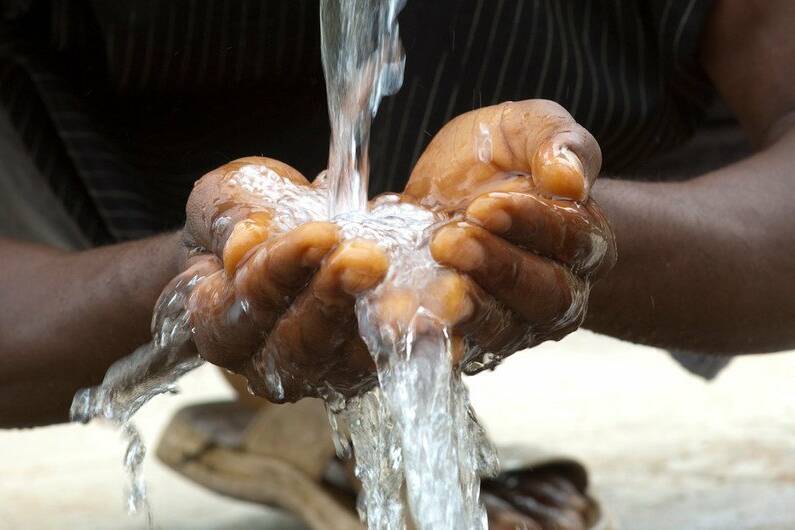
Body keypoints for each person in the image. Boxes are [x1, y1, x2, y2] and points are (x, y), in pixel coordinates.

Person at [1, 1, 793, 528]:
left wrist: (569, 230)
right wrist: (192, 276)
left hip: (598, 83)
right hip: (112, 126)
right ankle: (298, 397)